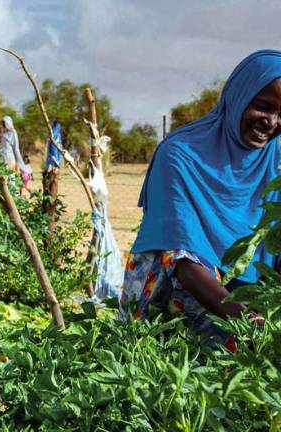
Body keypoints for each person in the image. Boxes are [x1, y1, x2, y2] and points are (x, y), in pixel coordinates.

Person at [120, 50, 281, 352]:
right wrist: (249, 322)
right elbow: (183, 262)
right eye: (262, 107)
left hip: (254, 306)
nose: (272, 122)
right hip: (180, 305)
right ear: (239, 96)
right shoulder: (180, 154)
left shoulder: (278, 163)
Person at [0, 116, 30, 196]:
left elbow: (16, 148)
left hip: (10, 160)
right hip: (2, 160)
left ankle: (14, 198)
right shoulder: (3, 134)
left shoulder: (13, 133)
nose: (3, 125)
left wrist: (20, 163)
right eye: (2, 123)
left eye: (4, 123)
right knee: (3, 179)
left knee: (11, 180)